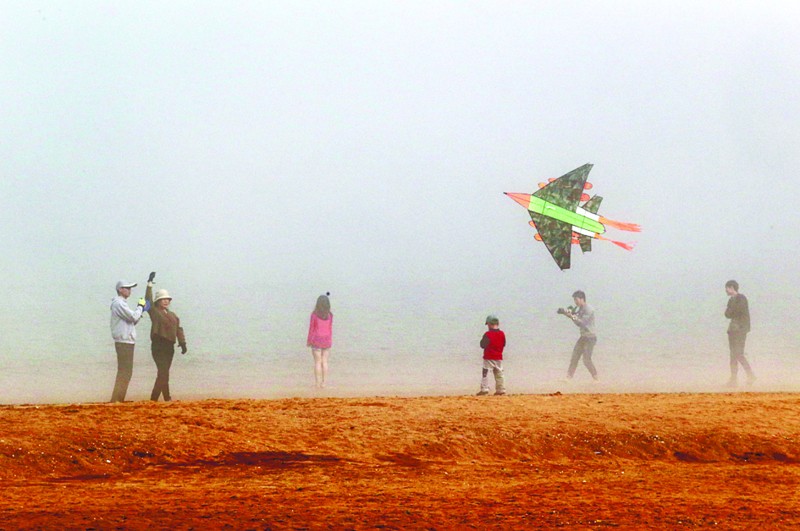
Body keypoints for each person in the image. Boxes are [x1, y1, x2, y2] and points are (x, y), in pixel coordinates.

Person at [144, 273, 187, 401]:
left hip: (169, 347)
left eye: (168, 299)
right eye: (163, 299)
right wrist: (149, 284)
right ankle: (165, 398)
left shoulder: (173, 315)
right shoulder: (154, 312)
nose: (166, 301)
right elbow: (147, 301)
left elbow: (178, 328)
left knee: (164, 373)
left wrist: (183, 342)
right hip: (158, 346)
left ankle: (155, 399)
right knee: (163, 372)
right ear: (158, 301)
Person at [109, 280, 147, 402]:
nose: (129, 290)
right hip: (124, 341)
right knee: (125, 371)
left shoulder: (122, 303)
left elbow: (133, 320)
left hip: (127, 341)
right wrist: (140, 306)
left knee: (126, 371)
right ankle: (117, 399)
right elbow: (134, 317)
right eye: (127, 288)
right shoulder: (119, 303)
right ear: (120, 289)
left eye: (130, 288)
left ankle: (118, 398)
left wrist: (140, 310)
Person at [563, 290, 598, 381]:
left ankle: (596, 378)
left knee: (586, 359)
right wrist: (567, 313)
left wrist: (571, 316)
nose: (575, 302)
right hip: (583, 337)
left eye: (576, 299)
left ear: (582, 299)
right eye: (574, 300)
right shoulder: (581, 309)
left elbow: (581, 323)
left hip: (590, 337)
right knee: (574, 357)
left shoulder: (589, 309)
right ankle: (568, 378)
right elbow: (577, 319)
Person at [725, 280, 755, 387]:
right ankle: (733, 379)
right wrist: (732, 311)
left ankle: (750, 375)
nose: (726, 290)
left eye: (727, 288)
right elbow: (727, 314)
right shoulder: (731, 300)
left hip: (741, 330)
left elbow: (738, 311)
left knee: (739, 353)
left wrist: (732, 311)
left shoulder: (741, 298)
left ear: (732, 288)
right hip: (732, 330)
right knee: (733, 355)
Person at [307, 293, 333, 389]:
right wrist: (330, 340)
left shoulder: (314, 315)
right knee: (325, 361)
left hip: (316, 340)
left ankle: (317, 383)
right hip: (326, 339)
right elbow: (330, 328)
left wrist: (309, 340)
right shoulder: (330, 315)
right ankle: (324, 383)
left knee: (317, 362)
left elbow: (311, 329)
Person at [477, 314, 506, 396]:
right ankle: (501, 389)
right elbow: (504, 344)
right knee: (499, 373)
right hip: (499, 357)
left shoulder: (488, 334)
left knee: (485, 373)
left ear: (489, 324)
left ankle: (484, 389)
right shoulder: (502, 334)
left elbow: (482, 345)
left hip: (488, 357)